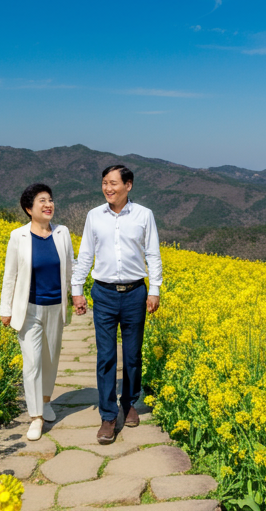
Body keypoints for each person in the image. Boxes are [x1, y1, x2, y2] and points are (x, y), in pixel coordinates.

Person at [71, 164, 162, 445]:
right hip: (105, 294)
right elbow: (85, 254)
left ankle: (129, 402)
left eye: (113, 183)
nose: (108, 188)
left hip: (136, 292)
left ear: (128, 185)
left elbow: (153, 254)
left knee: (133, 355)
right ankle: (108, 416)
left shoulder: (144, 215)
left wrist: (155, 289)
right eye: (104, 183)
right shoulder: (94, 216)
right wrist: (77, 289)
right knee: (106, 356)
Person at [0, 182, 75, 441]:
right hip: (29, 309)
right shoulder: (17, 236)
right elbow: (10, 276)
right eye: (42, 201)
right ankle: (35, 417)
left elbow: (70, 269)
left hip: (56, 307)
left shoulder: (62, 233)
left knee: (50, 360)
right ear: (28, 209)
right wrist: (5, 309)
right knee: (32, 363)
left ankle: (45, 401)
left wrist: (76, 295)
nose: (48, 204)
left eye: (50, 199)